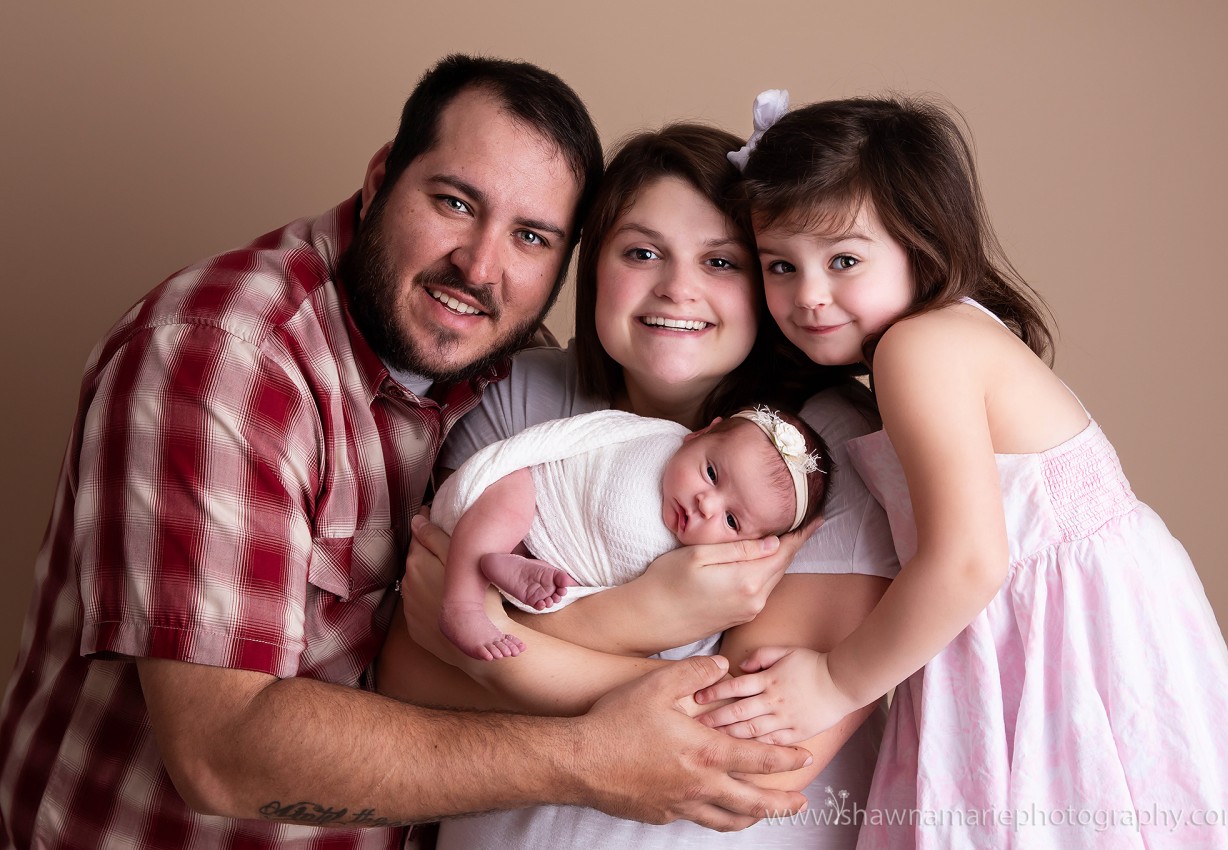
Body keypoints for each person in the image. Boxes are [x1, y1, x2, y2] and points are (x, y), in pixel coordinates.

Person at [0, 56, 818, 850]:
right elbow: (223, 751)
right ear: (383, 173)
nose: (481, 263)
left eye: (531, 236)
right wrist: (591, 758)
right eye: (456, 202)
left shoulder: (498, 360)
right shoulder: (227, 355)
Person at [695, 93, 1228, 847]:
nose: (808, 296)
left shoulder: (921, 348)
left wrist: (837, 681)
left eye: (844, 260)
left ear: (921, 244)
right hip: (1044, 634)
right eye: (781, 265)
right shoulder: (942, 338)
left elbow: (969, 562)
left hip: (1055, 640)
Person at [379, 122, 899, 848]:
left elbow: (751, 761)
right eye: (642, 252)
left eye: (720, 260)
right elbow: (405, 681)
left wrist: (494, 641)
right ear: (594, 269)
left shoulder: (821, 454)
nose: (678, 288)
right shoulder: (519, 399)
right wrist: (644, 618)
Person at [434, 406, 829, 660]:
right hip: (542, 498)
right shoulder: (655, 440)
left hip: (570, 588)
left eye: (731, 521)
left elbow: (683, 626)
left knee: (563, 589)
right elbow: (582, 442)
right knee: (511, 493)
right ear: (698, 435)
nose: (706, 504)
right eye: (710, 473)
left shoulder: (701, 565)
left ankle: (519, 568)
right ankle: (463, 604)